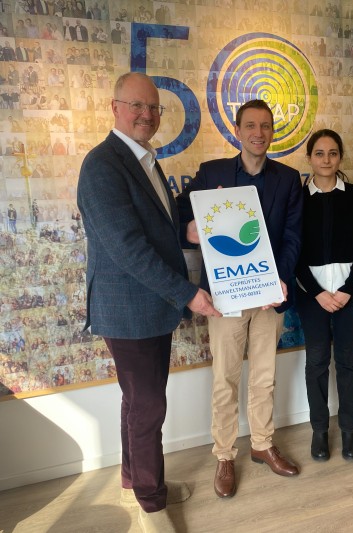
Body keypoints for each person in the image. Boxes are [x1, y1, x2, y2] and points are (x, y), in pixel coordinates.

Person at [77, 72, 220, 533]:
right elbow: (127, 247)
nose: (146, 114)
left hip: (150, 309)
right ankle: (151, 504)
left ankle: (134, 481)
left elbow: (159, 227)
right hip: (128, 310)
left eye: (153, 107)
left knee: (138, 403)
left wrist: (189, 230)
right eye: (136, 105)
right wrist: (188, 293)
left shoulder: (147, 161)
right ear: (115, 108)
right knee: (148, 408)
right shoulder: (103, 165)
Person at [176, 99, 303, 498]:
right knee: (225, 378)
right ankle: (225, 454)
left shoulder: (288, 179)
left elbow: (293, 235)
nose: (258, 133)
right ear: (237, 130)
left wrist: (282, 279)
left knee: (264, 376)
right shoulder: (211, 173)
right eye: (251, 125)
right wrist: (192, 228)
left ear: (272, 131)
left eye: (265, 126)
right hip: (225, 295)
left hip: (267, 297)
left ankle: (262, 444)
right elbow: (177, 217)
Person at [294, 129, 353, 462]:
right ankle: (320, 431)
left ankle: (349, 430)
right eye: (320, 153)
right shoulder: (297, 198)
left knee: (348, 361)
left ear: (340, 157)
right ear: (309, 158)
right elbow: (293, 252)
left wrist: (347, 289)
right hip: (311, 296)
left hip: (350, 295)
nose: (326, 159)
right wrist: (317, 293)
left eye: (333, 153)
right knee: (316, 362)